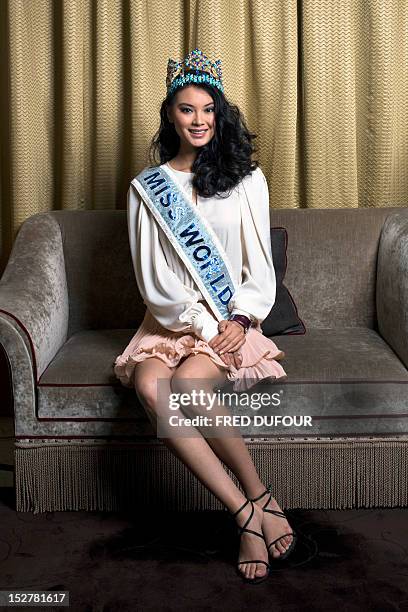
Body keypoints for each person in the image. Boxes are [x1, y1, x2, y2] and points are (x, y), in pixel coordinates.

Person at [114, 49, 296, 584]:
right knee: (153, 390)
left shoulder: (247, 180)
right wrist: (199, 322)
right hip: (171, 322)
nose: (198, 120)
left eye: (208, 109)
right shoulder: (148, 189)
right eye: (187, 109)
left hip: (232, 319)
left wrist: (240, 319)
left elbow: (258, 265)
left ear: (220, 115)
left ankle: (255, 498)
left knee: (191, 390)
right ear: (171, 115)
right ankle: (247, 512)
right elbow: (155, 282)